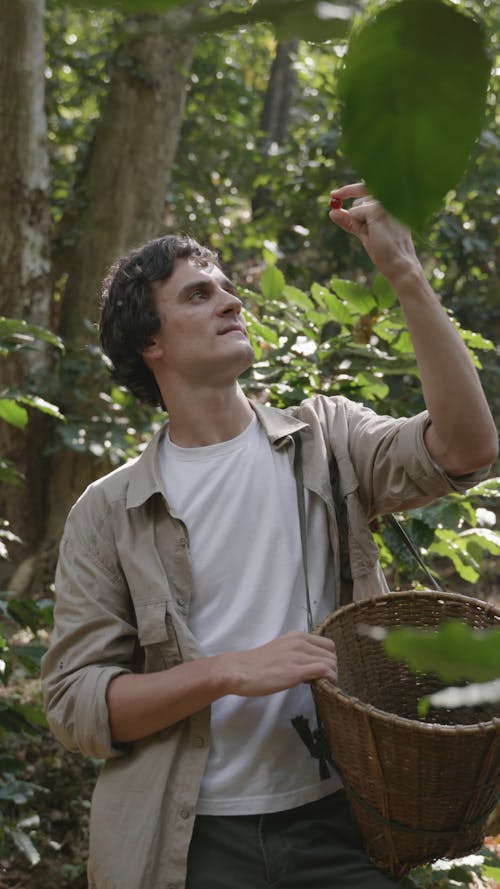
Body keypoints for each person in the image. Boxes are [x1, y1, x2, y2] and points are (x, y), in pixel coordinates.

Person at [41, 183, 497, 889]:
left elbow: (467, 448)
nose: (230, 299)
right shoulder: (109, 511)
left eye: (228, 287)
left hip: (345, 820)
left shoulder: (328, 438)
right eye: (198, 294)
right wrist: (226, 671)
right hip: (190, 841)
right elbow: (77, 705)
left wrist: (404, 271)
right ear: (150, 343)